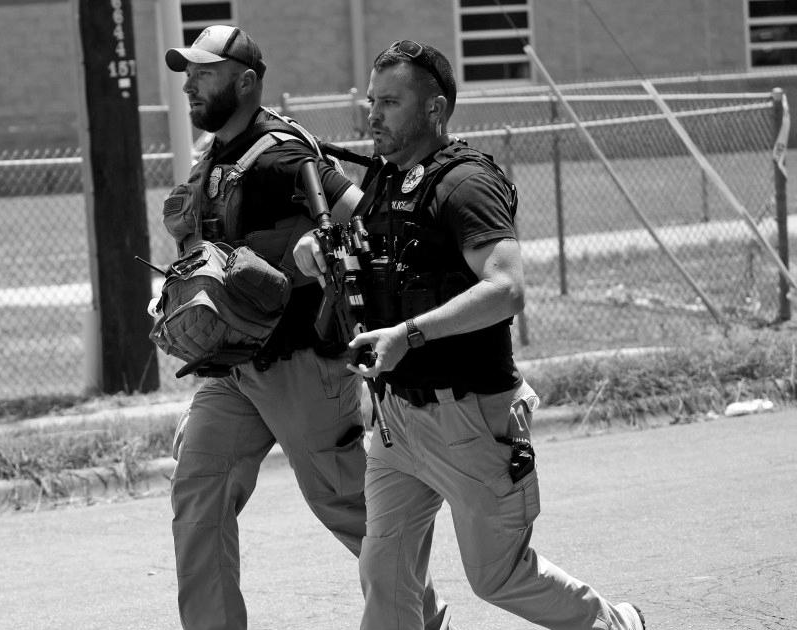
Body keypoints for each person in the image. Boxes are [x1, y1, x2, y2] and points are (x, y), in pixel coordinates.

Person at [294, 40, 647, 630]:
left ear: (434, 110)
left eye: (389, 102)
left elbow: (506, 287)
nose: (372, 115)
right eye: (370, 101)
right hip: (397, 420)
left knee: (498, 575)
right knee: (386, 573)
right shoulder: (387, 182)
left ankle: (613, 624)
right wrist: (316, 252)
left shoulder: (465, 185)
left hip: (471, 421)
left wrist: (408, 334)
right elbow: (365, 251)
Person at [161, 26, 449, 630]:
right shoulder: (211, 157)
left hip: (301, 370)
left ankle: (420, 618)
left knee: (348, 507)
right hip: (232, 371)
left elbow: (366, 224)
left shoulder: (283, 157)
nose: (189, 84)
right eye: (187, 72)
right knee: (198, 493)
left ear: (244, 83)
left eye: (204, 74)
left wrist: (305, 257)